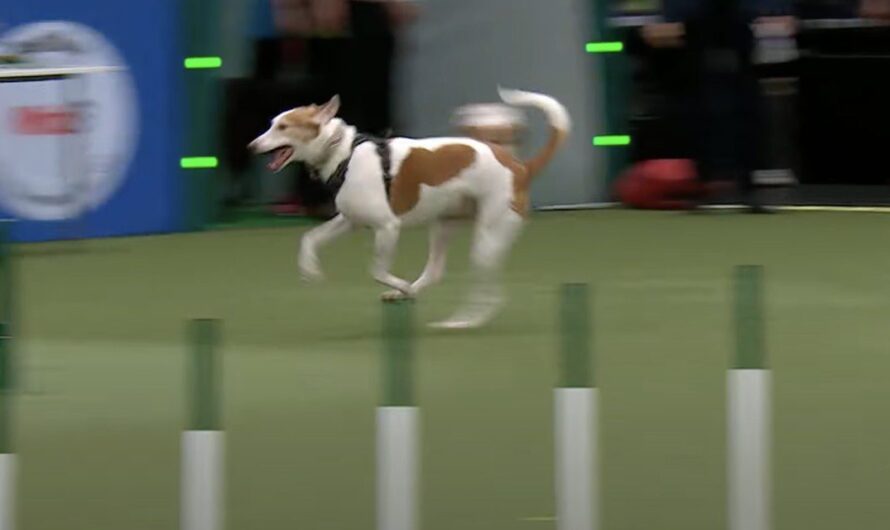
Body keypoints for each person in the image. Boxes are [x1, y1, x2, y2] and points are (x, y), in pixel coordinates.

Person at [642, 0, 795, 213]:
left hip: (735, 53)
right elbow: (665, 28)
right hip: (701, 55)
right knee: (706, 116)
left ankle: (744, 185)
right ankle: (707, 185)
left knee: (743, 116)